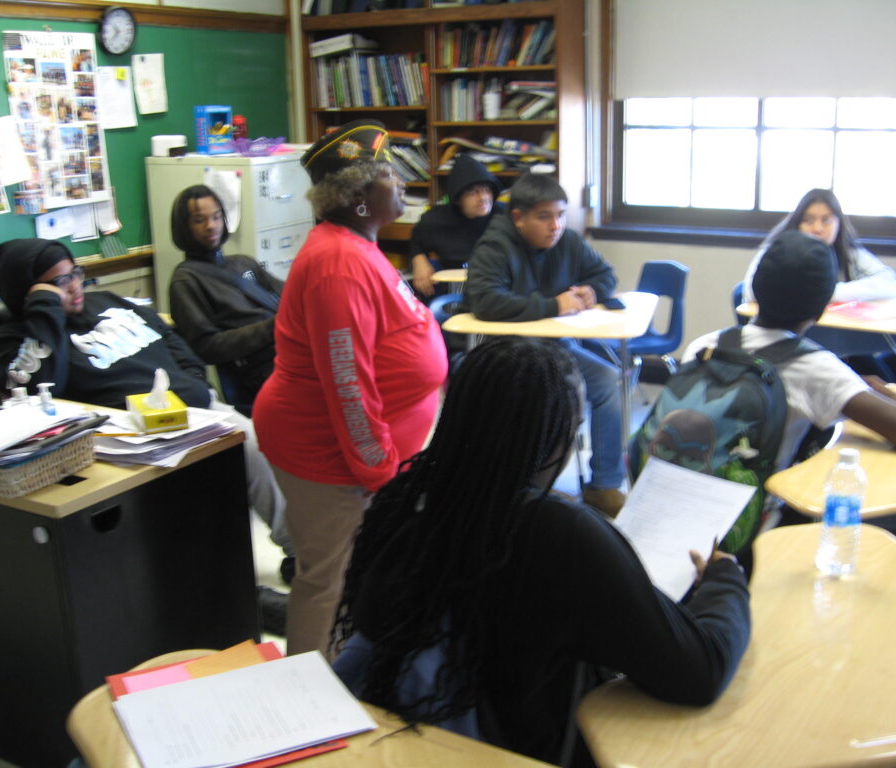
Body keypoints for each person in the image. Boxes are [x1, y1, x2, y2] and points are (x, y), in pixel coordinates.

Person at [330, 336, 752, 766]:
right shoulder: (559, 535)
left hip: (406, 744)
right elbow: (700, 671)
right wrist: (725, 581)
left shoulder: (403, 500)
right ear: (563, 436)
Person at [0, 238, 289, 609]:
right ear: (28, 293)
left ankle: (304, 554)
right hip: (132, 437)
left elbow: (169, 336)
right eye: (59, 283)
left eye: (75, 274)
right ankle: (247, 592)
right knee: (225, 474)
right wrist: (46, 313)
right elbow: (39, 387)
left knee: (268, 450)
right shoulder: (14, 339)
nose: (75, 286)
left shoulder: (107, 301)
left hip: (195, 411)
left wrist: (192, 379)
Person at [253, 121, 448, 657]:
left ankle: (349, 672)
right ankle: (308, 700)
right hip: (327, 451)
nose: (405, 184)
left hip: (348, 449)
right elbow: (348, 383)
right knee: (327, 578)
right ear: (360, 197)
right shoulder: (338, 264)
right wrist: (378, 467)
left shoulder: (356, 247)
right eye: (392, 175)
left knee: (350, 569)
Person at [687, 231, 896, 519]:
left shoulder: (705, 345)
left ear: (756, 287)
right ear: (821, 308)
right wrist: (880, 388)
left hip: (677, 504)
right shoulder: (815, 368)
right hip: (746, 524)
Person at [465, 173, 625, 517]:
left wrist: (591, 291)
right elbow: (486, 302)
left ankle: (604, 485)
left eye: (561, 215)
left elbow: (605, 273)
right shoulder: (494, 247)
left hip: (558, 348)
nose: (555, 225)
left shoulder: (566, 240)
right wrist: (555, 305)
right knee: (555, 395)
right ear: (518, 217)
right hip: (513, 354)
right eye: (544, 217)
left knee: (608, 380)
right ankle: (528, 491)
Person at [167, 185, 283, 417]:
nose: (211, 226)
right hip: (260, 372)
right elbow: (207, 347)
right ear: (185, 227)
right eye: (199, 220)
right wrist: (272, 327)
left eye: (216, 217)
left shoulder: (243, 263)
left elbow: (290, 294)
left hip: (289, 353)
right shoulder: (186, 280)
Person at [742, 188, 896, 304]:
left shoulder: (850, 253)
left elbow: (891, 284)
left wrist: (827, 292)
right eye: (808, 221)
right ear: (797, 223)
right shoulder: (777, 250)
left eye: (826, 220)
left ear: (839, 223)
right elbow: (750, 291)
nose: (817, 229)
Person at [408, 154, 505, 297]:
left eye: (486, 189)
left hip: (496, 284)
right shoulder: (436, 219)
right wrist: (418, 260)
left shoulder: (505, 215)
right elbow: (416, 239)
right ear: (458, 199)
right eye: (473, 192)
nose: (483, 197)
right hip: (454, 287)